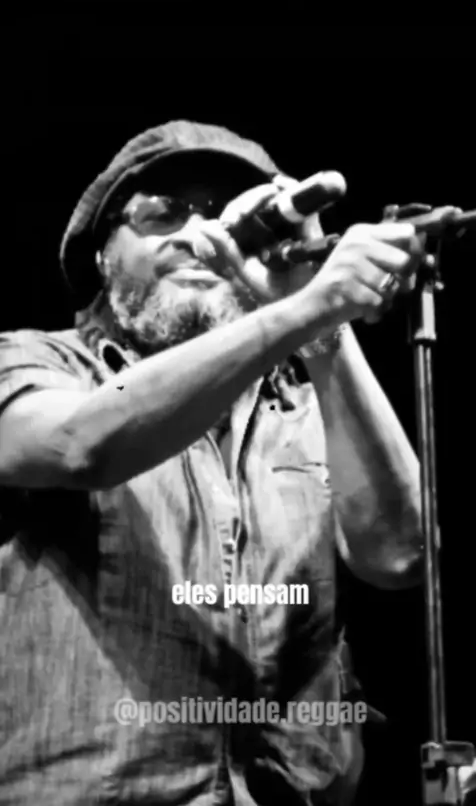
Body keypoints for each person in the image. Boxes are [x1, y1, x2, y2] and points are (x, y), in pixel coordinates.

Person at [0, 119, 424, 805]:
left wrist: (323, 327)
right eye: (164, 214)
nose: (199, 233)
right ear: (103, 255)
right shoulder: (33, 361)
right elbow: (79, 445)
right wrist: (311, 307)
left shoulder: (313, 408)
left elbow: (400, 555)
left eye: (224, 214)